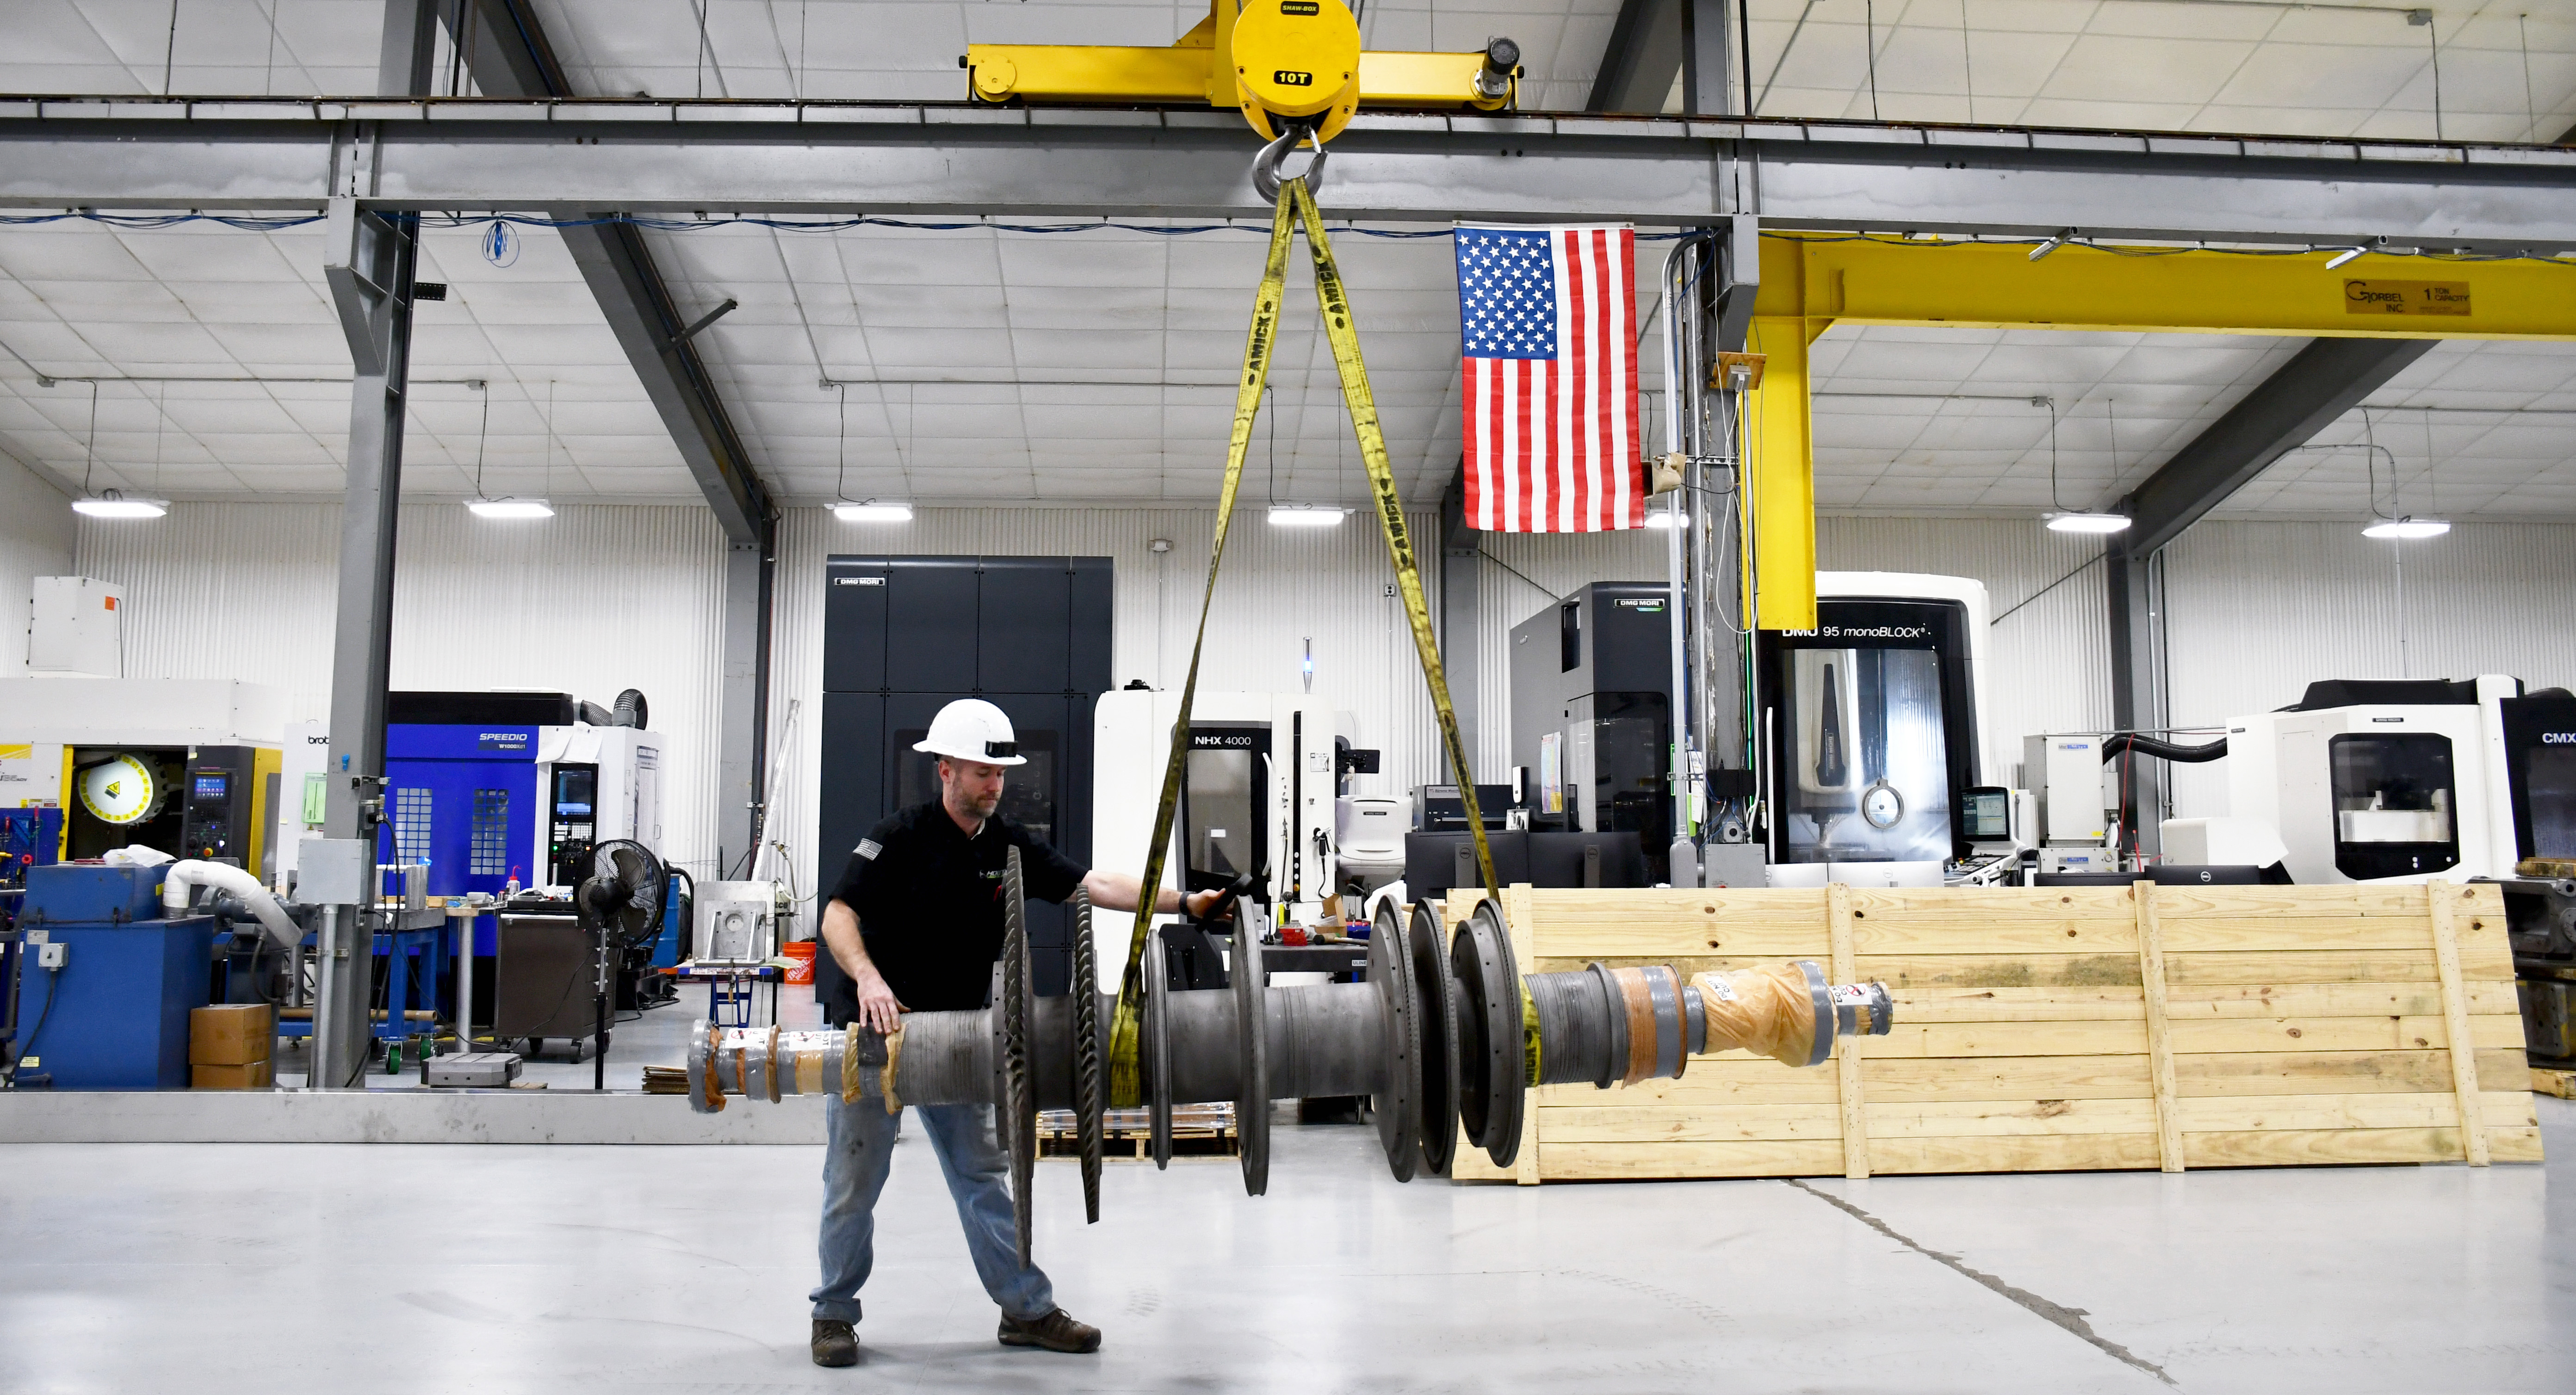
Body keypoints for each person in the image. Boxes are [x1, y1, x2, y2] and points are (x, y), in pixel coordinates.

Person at [807, 698, 1227, 1368]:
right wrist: (869, 979)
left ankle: (1026, 1310)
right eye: (982, 773)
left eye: (1000, 774)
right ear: (945, 770)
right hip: (875, 1035)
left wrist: (1183, 903)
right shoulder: (898, 837)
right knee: (853, 1182)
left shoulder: (1009, 847)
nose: (995, 785)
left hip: (961, 1038)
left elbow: (1091, 884)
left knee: (984, 1178)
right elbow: (836, 914)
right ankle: (832, 1314)